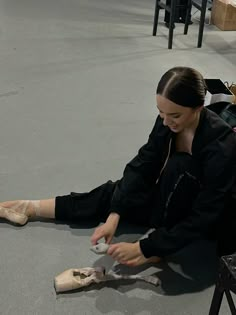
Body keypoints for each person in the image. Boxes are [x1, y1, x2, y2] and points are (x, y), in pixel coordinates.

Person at [1, 66, 236, 267]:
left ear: (198, 108)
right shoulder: (168, 121)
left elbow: (205, 214)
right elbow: (144, 164)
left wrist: (147, 247)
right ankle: (30, 207)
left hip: (203, 214)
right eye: (160, 112)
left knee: (179, 166)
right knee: (116, 192)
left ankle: (160, 247)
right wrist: (115, 214)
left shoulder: (221, 146)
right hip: (171, 194)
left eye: (174, 115)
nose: (165, 121)